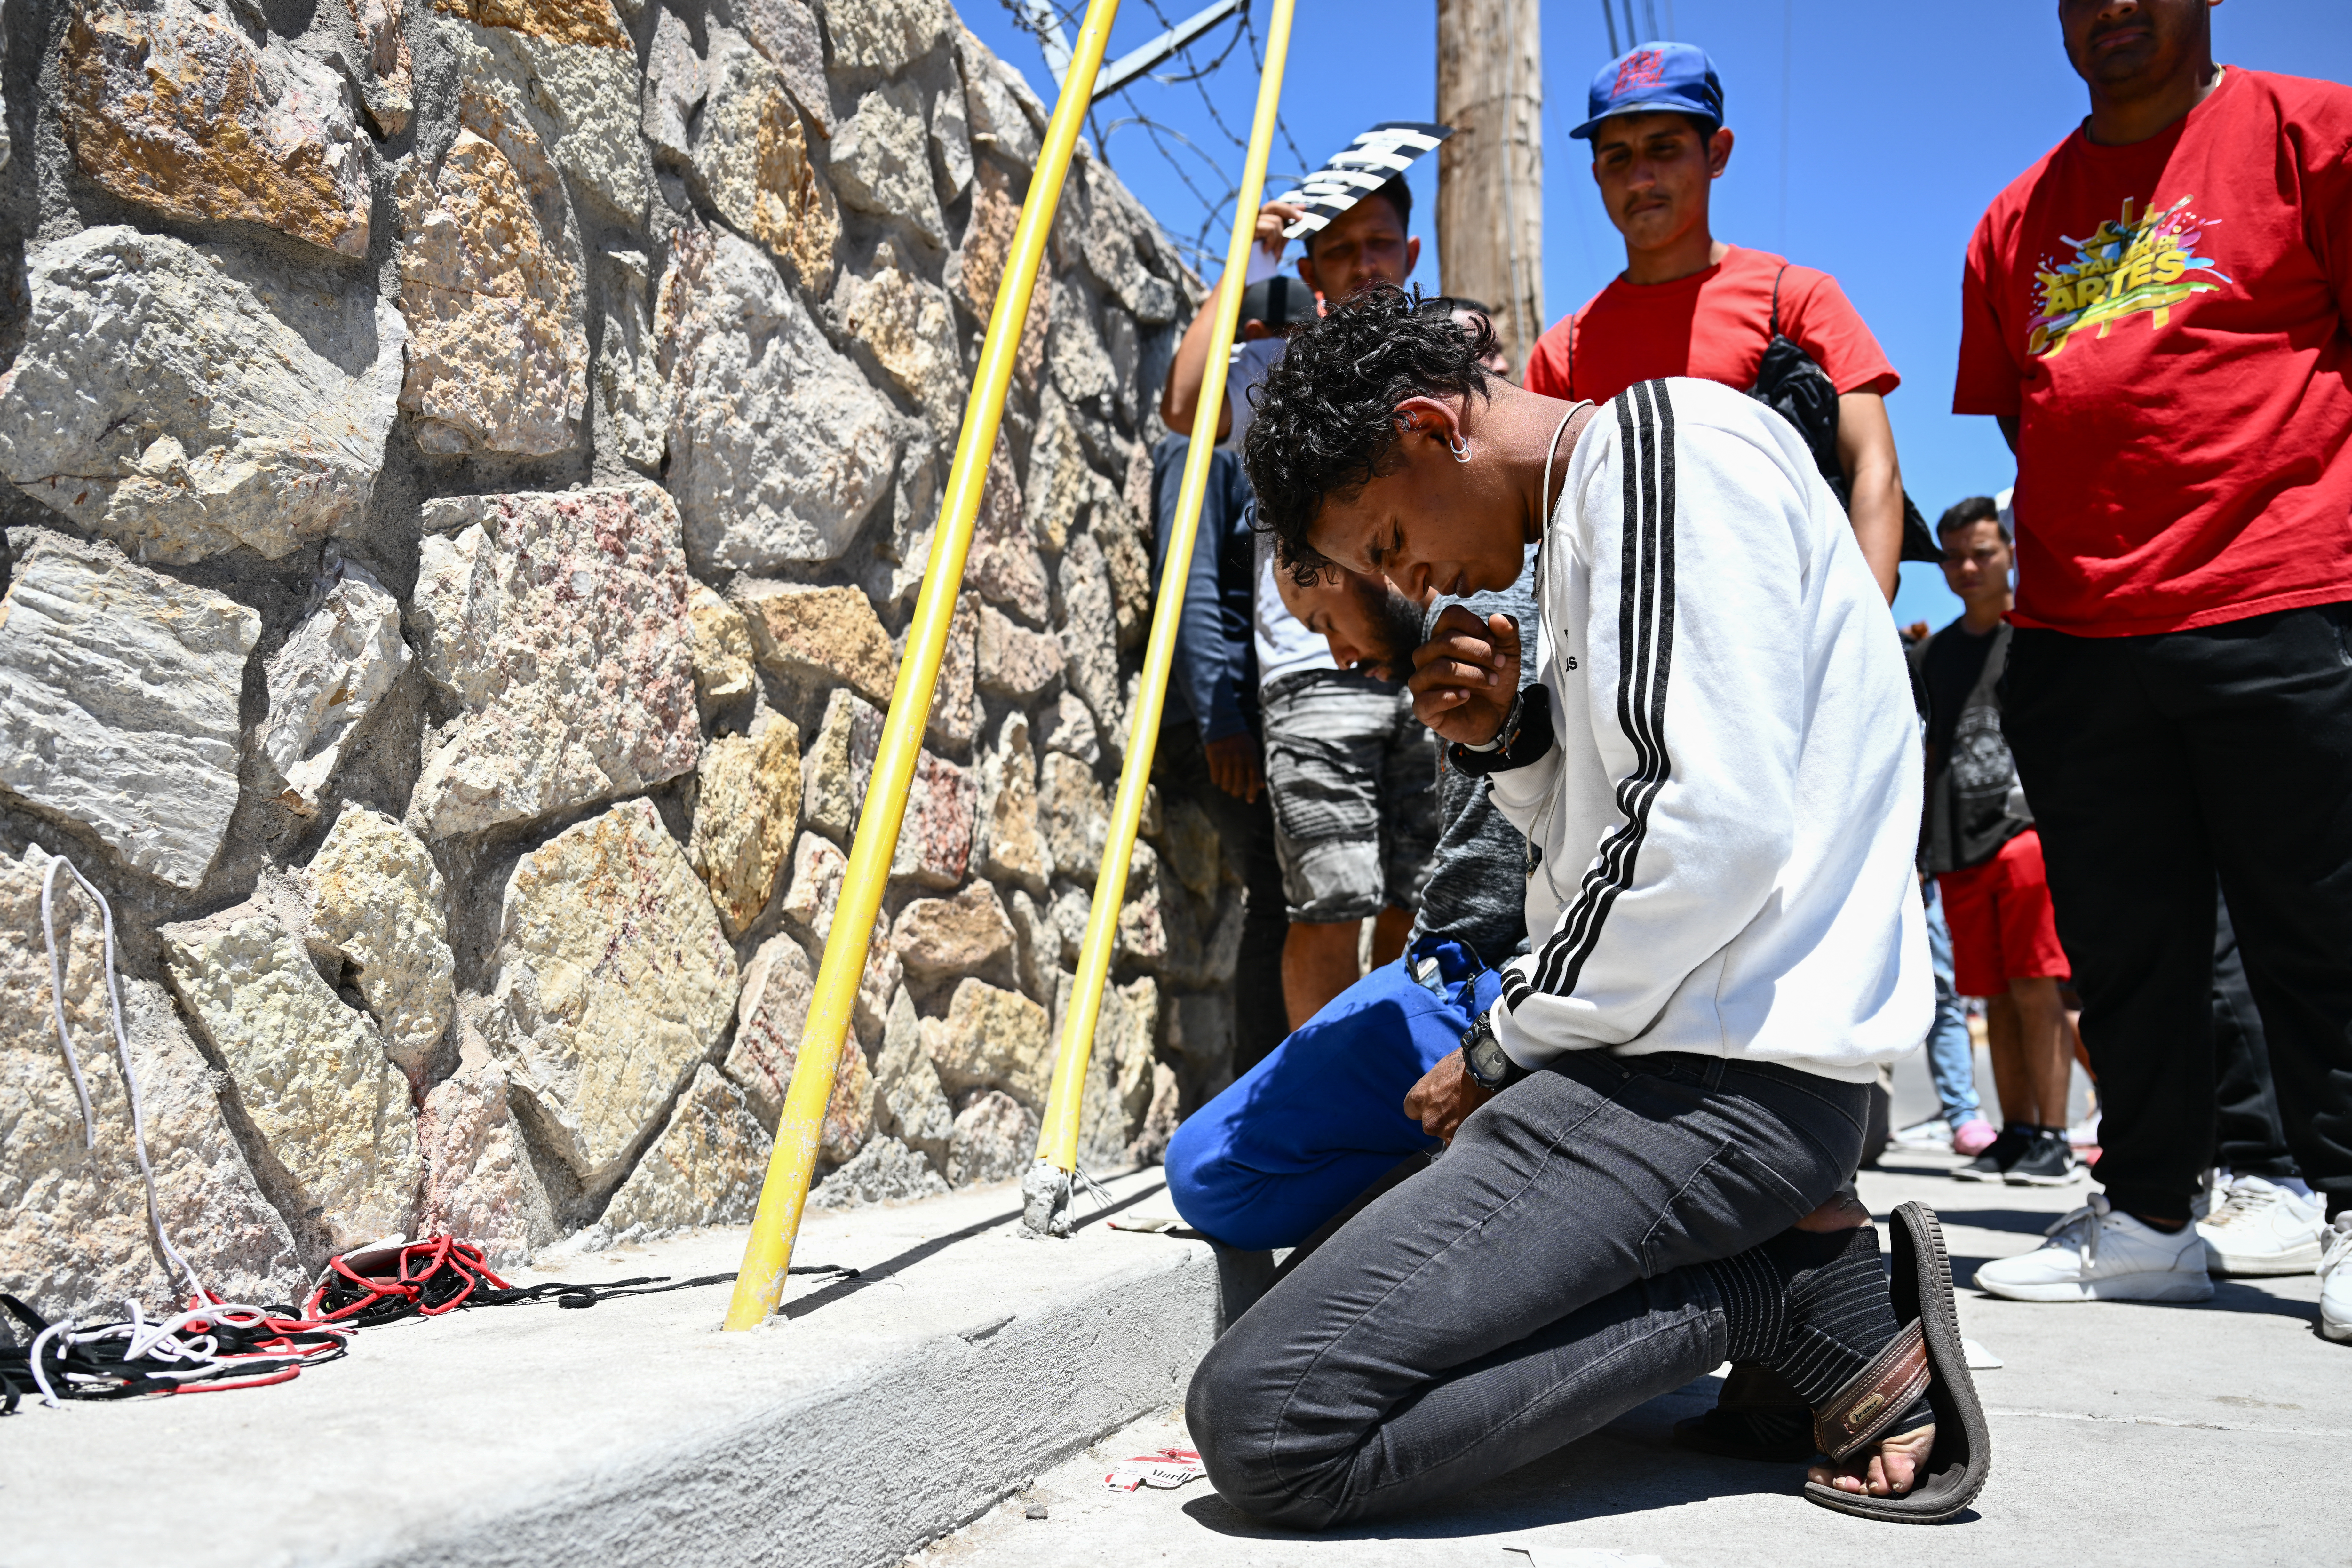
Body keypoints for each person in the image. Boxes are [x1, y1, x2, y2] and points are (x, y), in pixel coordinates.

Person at [1186, 288, 1986, 1524]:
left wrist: (1504, 1045)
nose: (1414, 582)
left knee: (1271, 1423)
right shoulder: (1591, 526)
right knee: (1330, 1289)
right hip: (1662, 1062)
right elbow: (1616, 843)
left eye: (1391, 542)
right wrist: (1514, 746)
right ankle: (1780, 1267)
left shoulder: (1665, 455)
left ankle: (1780, 1290)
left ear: (1429, 428)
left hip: (1715, 1084)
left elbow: (1710, 837)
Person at [1954, 0, 2352, 1340]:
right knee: (2124, 952)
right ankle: (2145, 1218)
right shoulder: (2015, 218)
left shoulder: (2314, 136)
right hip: (2077, 634)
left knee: (2319, 925)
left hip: (2283, 594)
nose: (2111, 7)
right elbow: (2035, 413)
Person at [1165, 545, 1537, 1252]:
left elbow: (1496, 895)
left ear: (1366, 551)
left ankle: (1449, 1174)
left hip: (1502, 991)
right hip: (1488, 982)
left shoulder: (1487, 619)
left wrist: (1495, 1048)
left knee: (1207, 1172)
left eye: (1326, 621)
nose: (1338, 654)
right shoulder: (1464, 632)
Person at [1163, 161, 1440, 1031]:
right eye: (1340, 249)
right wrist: (1249, 258)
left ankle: (1391, 1117)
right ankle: (1320, 1128)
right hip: (1315, 673)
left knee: (1419, 901)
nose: (1364, 264)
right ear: (1309, 271)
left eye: (1380, 244)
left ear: (1412, 250)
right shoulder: (1272, 370)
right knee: (1327, 904)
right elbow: (1183, 404)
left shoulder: (1446, 358)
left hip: (1432, 664)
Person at [1522, 41, 1908, 603]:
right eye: (1619, 157)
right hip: (1626, 660)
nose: (1640, 178)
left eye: (1665, 148)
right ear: (1597, 172)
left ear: (1718, 153)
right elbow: (1539, 524)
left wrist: (1864, 639)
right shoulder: (1565, 351)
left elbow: (1876, 469)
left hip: (1788, 628)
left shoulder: (1798, 300)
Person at [1913, 497, 2081, 1187]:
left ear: (2009, 552)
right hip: (1956, 843)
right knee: (1993, 997)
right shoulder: (1935, 655)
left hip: (2028, 832)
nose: (1966, 568)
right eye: (1952, 556)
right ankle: (2017, 1132)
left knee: (2036, 986)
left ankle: (2054, 1134)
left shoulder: (2039, 635)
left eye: (1981, 552)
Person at [1147, 435, 1289, 1076]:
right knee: (1282, 893)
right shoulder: (1202, 451)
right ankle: (1262, 1099)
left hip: (1246, 711)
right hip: (1219, 717)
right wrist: (1220, 719)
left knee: (1289, 893)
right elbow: (1187, 582)